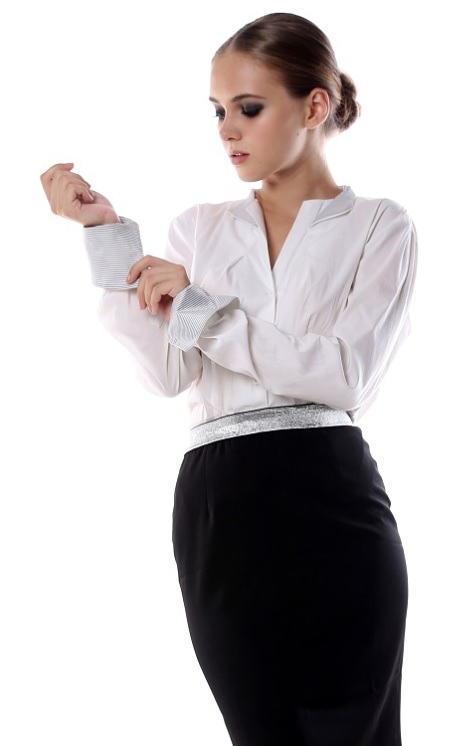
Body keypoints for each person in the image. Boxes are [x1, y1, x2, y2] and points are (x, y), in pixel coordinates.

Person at [41, 11, 417, 746]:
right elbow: (167, 372)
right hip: (221, 501)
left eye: (247, 108)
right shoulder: (199, 229)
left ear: (314, 106)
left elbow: (344, 374)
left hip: (333, 495)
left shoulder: (380, 225)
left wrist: (200, 309)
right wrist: (104, 234)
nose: (227, 129)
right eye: (217, 111)